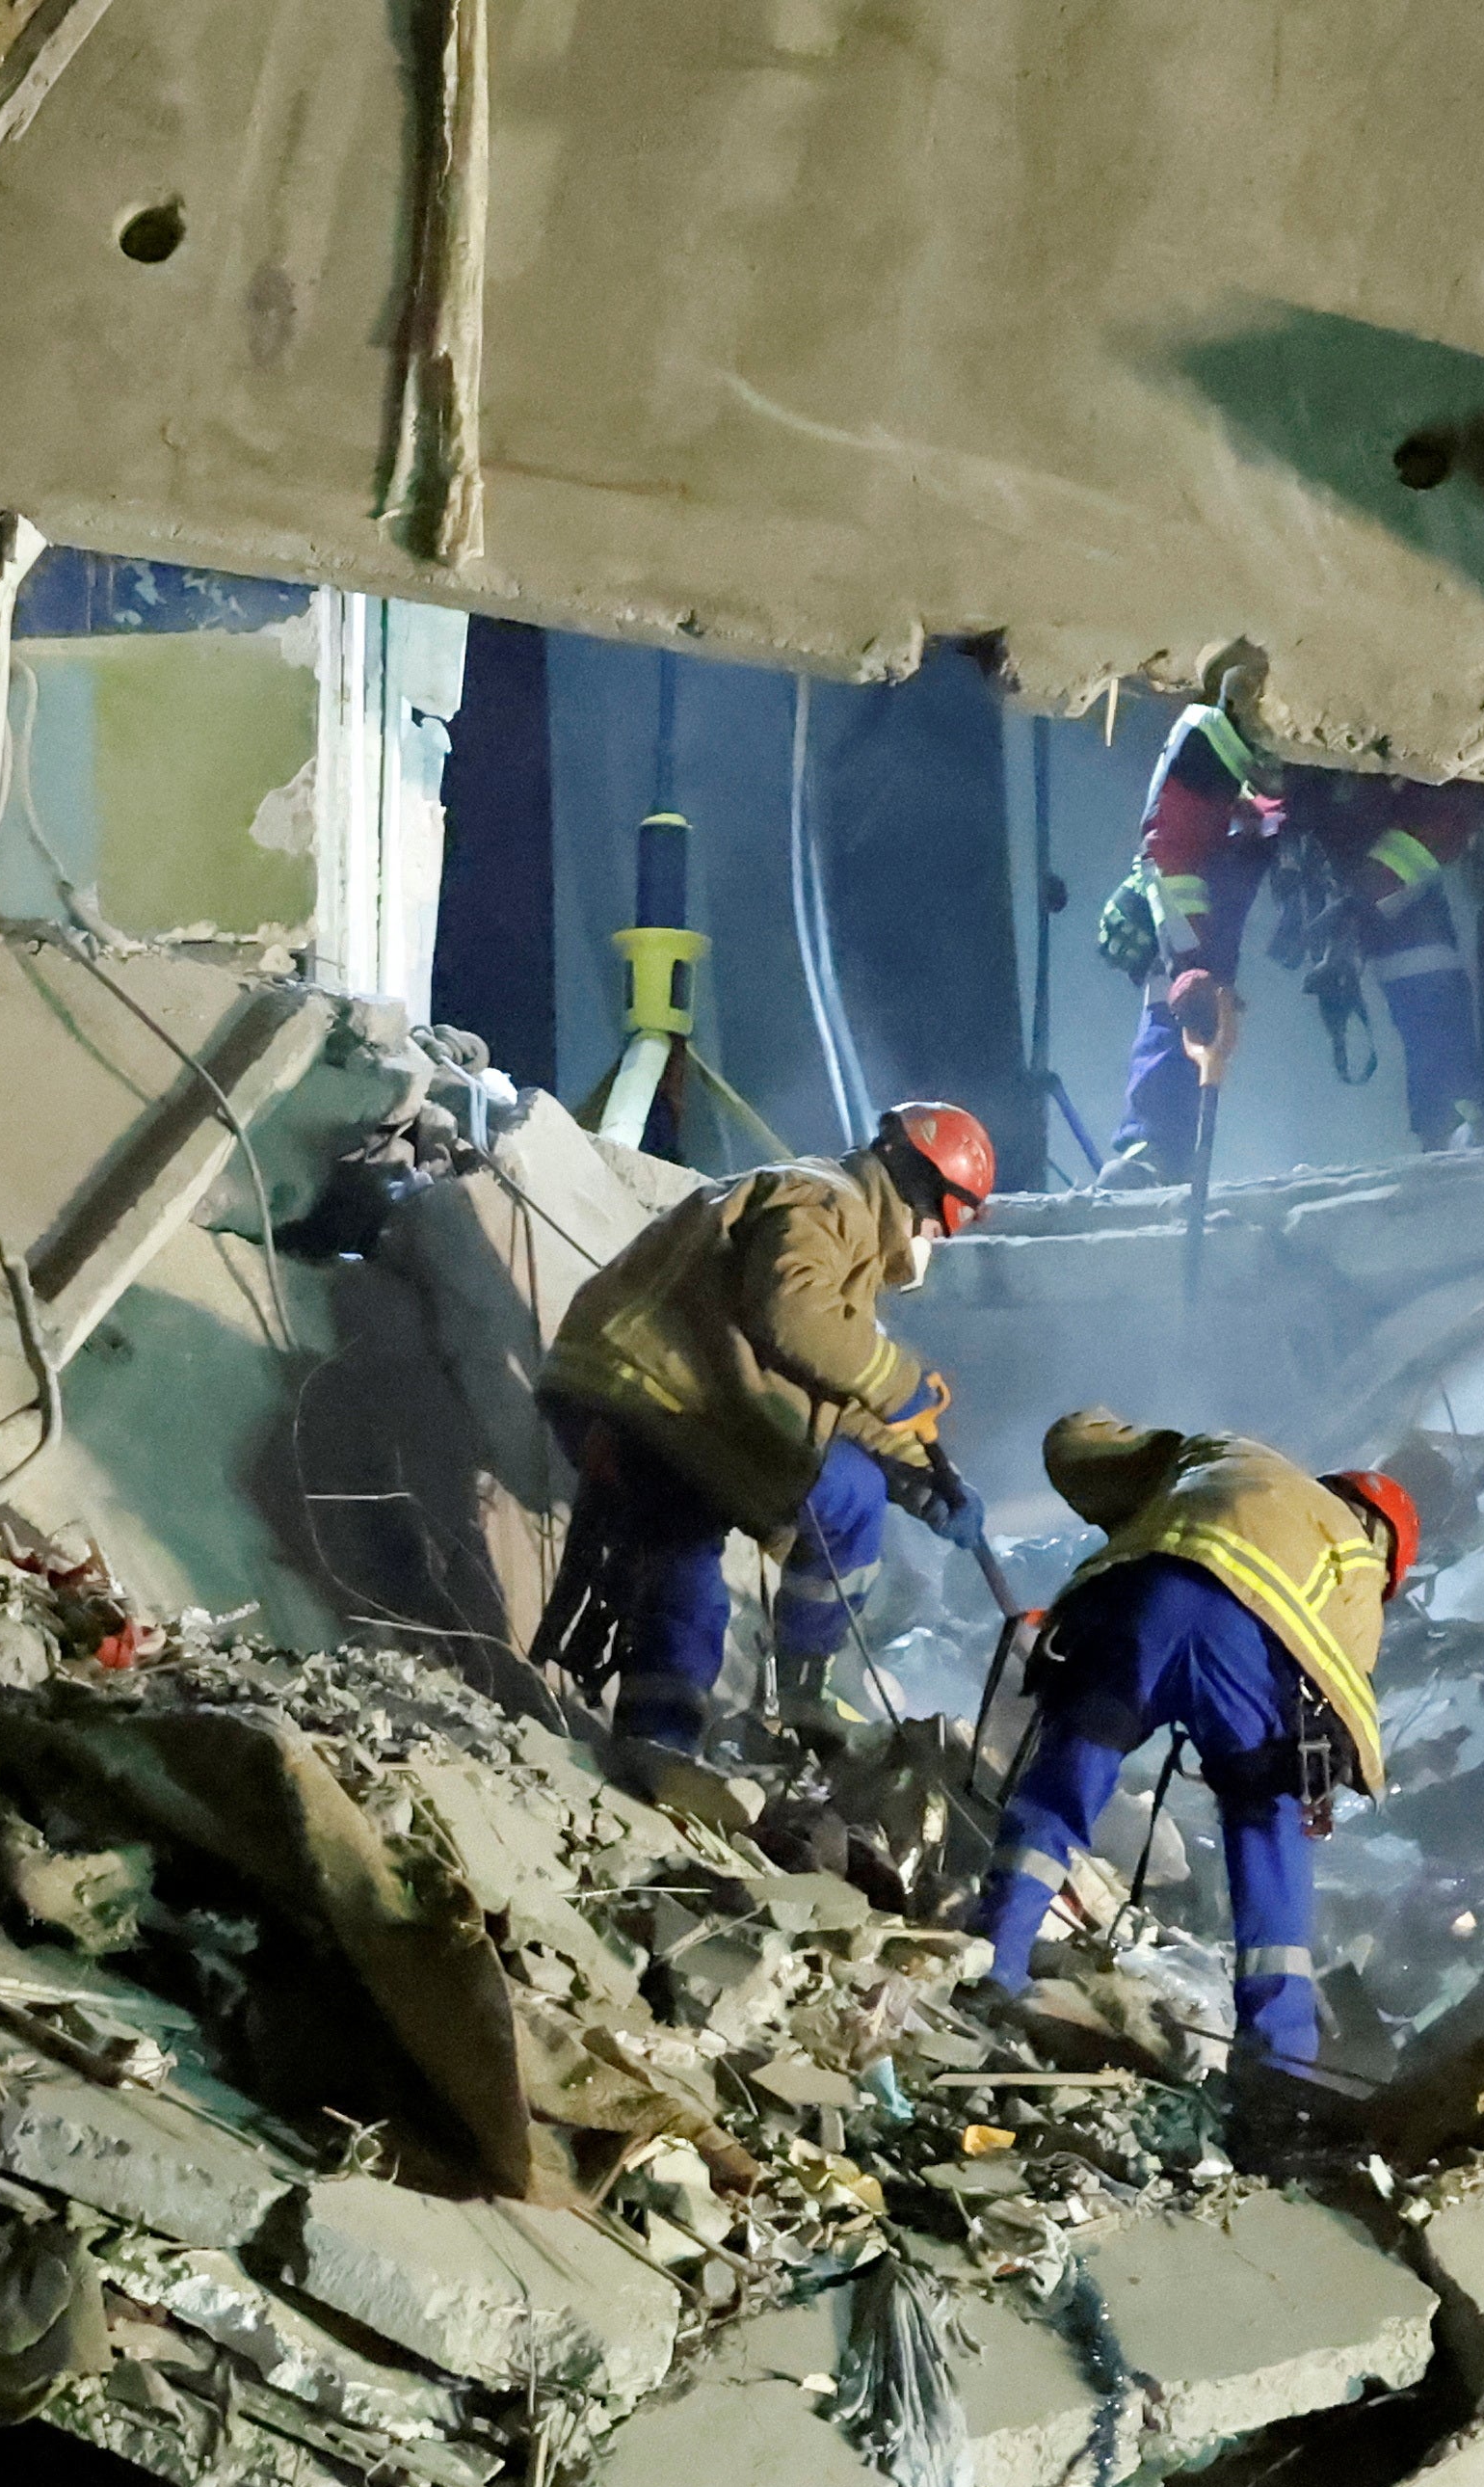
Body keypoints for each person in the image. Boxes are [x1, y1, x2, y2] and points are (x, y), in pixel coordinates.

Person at [535, 1102, 995, 1748]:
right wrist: (899, 1377)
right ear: (927, 1195)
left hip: (682, 1405)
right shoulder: (830, 1205)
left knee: (832, 1500)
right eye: (948, 1223)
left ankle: (740, 1714)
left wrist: (920, 1475)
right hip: (654, 1397)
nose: (939, 1242)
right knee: (714, 1553)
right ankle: (687, 1733)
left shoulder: (842, 1228)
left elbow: (826, 1384)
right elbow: (795, 1318)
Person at [980, 1415, 1416, 2072]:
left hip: (1141, 1606)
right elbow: (1343, 1695)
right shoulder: (1356, 1564)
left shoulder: (1236, 1455)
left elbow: (1082, 1449)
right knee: (1267, 1832)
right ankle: (1280, 2062)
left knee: (1062, 1786)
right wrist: (1339, 1781)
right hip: (1248, 1656)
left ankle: (992, 1961)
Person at [1092, 648, 1281, 1185]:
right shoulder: (1203, 751)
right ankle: (1154, 1148)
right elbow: (1174, 854)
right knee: (1177, 984)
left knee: (1415, 948)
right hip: (1214, 854)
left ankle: (1156, 1148)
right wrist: (1190, 965)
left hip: (1282, 837)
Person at [1285, 772, 1484, 1152]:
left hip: (1388, 887)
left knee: (1429, 982)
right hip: (1376, 888)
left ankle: (1451, 1122)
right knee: (1431, 985)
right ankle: (1452, 1121)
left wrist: (1359, 907)